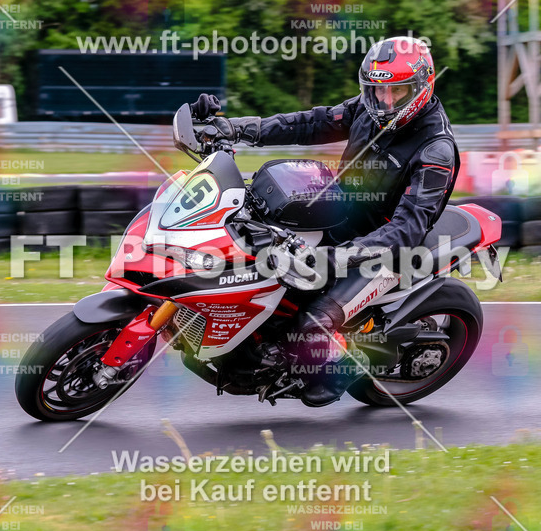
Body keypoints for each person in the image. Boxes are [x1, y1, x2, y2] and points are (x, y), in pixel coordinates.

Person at [191, 36, 460, 406]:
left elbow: (407, 230)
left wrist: (335, 258)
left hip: (386, 252)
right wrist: (237, 129)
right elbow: (310, 123)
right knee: (256, 256)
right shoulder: (369, 106)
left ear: (421, 87)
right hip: (339, 217)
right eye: (377, 90)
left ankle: (345, 367)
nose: (385, 101)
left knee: (312, 325)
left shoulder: (435, 151)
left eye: (397, 91)